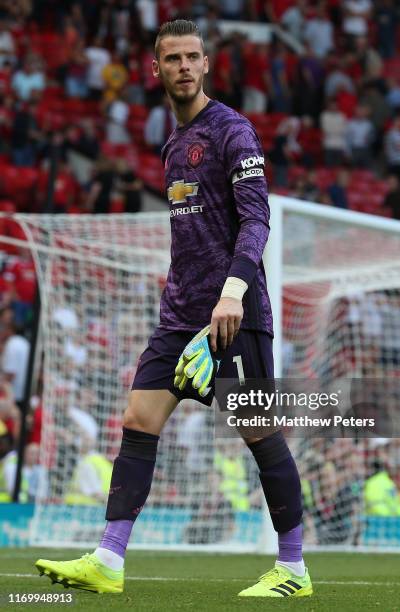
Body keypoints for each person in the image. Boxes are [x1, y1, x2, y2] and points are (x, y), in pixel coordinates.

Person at [35, 20, 312, 599]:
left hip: (235, 311)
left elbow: (257, 219)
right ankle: (109, 558)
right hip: (181, 315)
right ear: (155, 70)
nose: (184, 67)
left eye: (193, 57)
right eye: (173, 59)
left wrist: (233, 291)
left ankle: (293, 569)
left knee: (259, 433)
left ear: (206, 64)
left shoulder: (234, 131)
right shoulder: (169, 143)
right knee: (138, 420)